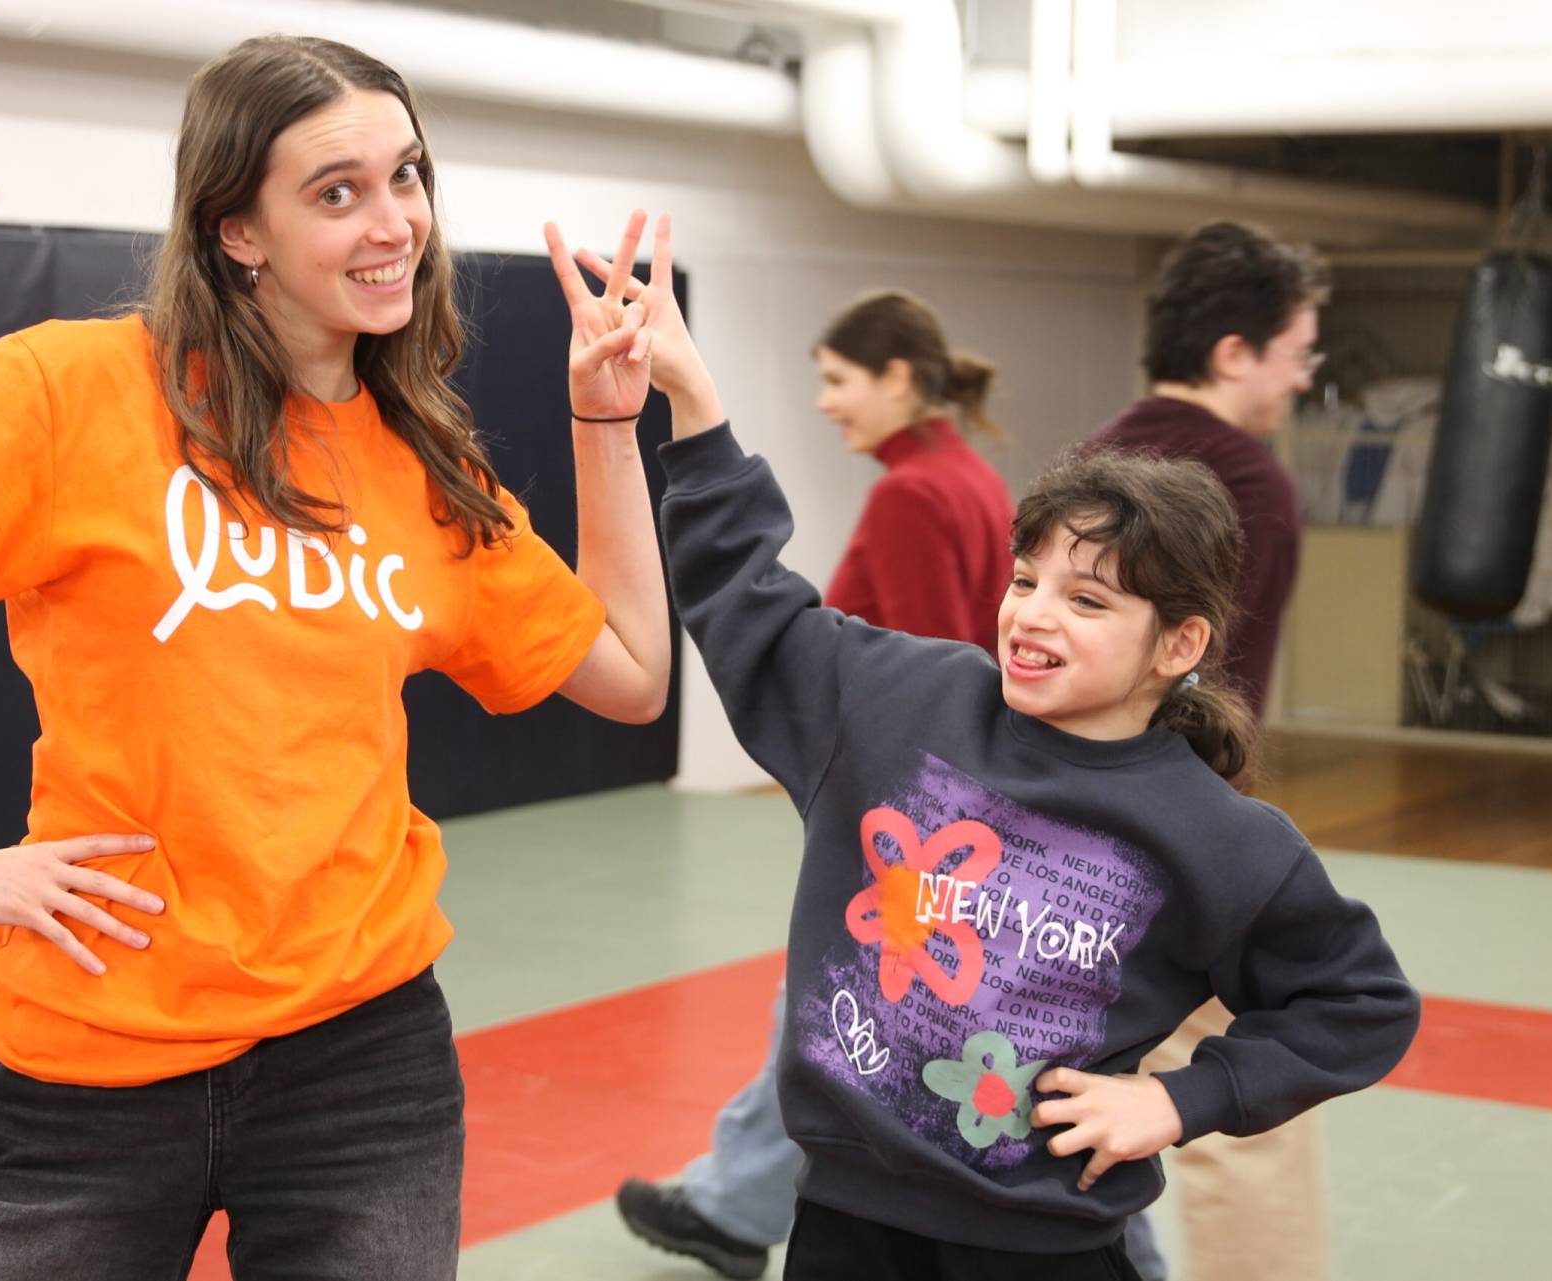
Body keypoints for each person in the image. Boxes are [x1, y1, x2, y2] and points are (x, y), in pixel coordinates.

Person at [0, 36, 674, 1281]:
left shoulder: (425, 472)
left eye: (406, 176)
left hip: (362, 1059)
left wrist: (603, 418)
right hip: (98, 1061)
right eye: (336, 191)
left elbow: (633, 674)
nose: (395, 224)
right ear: (236, 232)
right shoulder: (71, 391)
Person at [582, 254, 1417, 1280]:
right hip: (847, 1224)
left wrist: (1173, 1099)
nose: (1032, 615)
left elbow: (1359, 1002)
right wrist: (689, 397)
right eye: (1027, 580)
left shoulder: (1220, 837)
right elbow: (746, 597)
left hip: (1044, 1250)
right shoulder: (898, 702)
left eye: (1088, 600)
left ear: (1179, 646)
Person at [614, 289, 1012, 1279]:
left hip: (913, 821)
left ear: (898, 381)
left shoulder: (914, 495)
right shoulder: (968, 479)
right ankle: (733, 1202)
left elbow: (925, 671)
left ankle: (734, 1204)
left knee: (834, 1015)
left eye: (839, 381)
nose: (828, 403)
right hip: (945, 814)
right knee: (825, 1014)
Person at [1090, 219, 1331, 1281]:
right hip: (1175, 837)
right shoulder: (1252, 486)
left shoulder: (1091, 461)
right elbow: (1210, 701)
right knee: (1253, 1102)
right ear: (1235, 353)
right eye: (1296, 355)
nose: (1301, 380)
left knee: (1055, 1089)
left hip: (1040, 826)